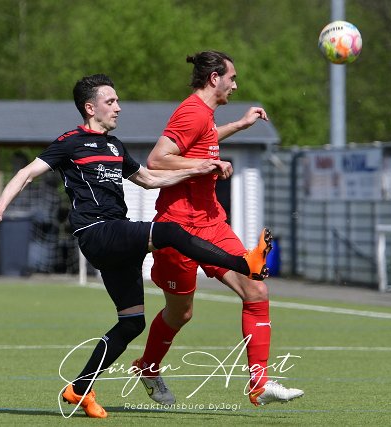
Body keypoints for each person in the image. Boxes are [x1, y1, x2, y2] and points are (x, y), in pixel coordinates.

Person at [0, 74, 271, 419]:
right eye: (111, 101)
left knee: (132, 323)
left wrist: (201, 169)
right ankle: (244, 264)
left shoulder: (115, 146)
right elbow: (26, 173)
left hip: (117, 238)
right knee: (169, 231)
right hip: (97, 231)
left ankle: (79, 388)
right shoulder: (70, 142)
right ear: (90, 108)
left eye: (117, 101)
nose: (118, 107)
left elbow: (149, 179)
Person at [133, 51, 304, 406]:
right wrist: (207, 164)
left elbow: (205, 139)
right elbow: (157, 160)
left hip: (211, 223)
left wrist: (239, 125)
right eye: (232, 78)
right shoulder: (192, 111)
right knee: (181, 313)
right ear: (215, 78)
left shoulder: (204, 115)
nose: (235, 85)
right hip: (177, 229)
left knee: (255, 289)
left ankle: (259, 384)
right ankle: (148, 367)